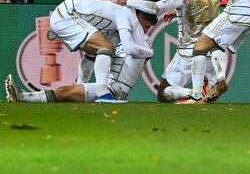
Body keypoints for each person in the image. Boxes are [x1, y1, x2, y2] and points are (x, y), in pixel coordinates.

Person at [116, 0, 222, 103]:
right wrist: (178, 10)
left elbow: (156, 8)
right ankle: (202, 91)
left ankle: (195, 93)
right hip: (210, 50)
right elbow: (199, 8)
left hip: (189, 52)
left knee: (163, 93)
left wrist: (128, 0)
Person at [45, 0, 156, 99]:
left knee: (97, 52)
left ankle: (80, 84)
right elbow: (129, 49)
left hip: (65, 13)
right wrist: (150, 52)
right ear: (139, 16)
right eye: (146, 26)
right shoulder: (125, 14)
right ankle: (102, 93)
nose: (145, 31)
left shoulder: (117, 20)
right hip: (67, 15)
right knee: (105, 46)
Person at [5, 50, 149, 104]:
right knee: (66, 91)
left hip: (114, 93)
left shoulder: (143, 44)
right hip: (106, 87)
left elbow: (145, 51)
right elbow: (89, 60)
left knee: (64, 92)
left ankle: (22, 97)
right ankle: (22, 96)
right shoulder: (118, 39)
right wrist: (81, 83)